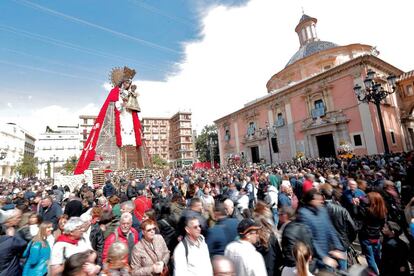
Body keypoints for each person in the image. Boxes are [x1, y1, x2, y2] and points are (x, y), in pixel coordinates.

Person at [74, 66, 142, 175]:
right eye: (126, 82)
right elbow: (115, 105)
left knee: (129, 141)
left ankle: (128, 166)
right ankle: (118, 166)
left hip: (128, 117)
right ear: (122, 82)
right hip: (120, 117)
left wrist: (132, 98)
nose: (128, 85)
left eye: (129, 83)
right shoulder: (115, 91)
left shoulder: (129, 93)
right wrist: (123, 102)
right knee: (119, 141)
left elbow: (134, 105)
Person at [297, 189, 345, 271]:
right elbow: (310, 238)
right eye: (318, 199)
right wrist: (323, 257)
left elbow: (330, 229)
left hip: (327, 251)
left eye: (321, 199)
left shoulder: (322, 210)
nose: (321, 201)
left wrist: (338, 247)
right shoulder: (303, 213)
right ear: (310, 200)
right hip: (315, 256)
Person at [357, 192, 387, 275]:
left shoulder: (366, 210)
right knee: (377, 257)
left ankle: (376, 274)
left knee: (370, 259)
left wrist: (358, 205)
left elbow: (359, 216)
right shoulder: (382, 210)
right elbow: (383, 224)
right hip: (376, 237)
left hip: (366, 237)